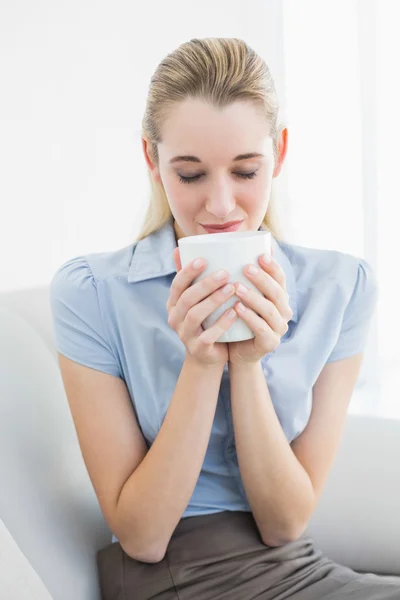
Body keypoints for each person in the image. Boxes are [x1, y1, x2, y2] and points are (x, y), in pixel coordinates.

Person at [49, 37, 400, 599]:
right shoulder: (92, 294)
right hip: (177, 576)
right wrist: (202, 361)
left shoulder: (341, 288)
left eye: (245, 171)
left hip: (295, 565)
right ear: (151, 160)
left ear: (279, 154)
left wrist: (250, 363)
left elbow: (285, 524)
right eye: (190, 174)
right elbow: (141, 537)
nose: (219, 206)